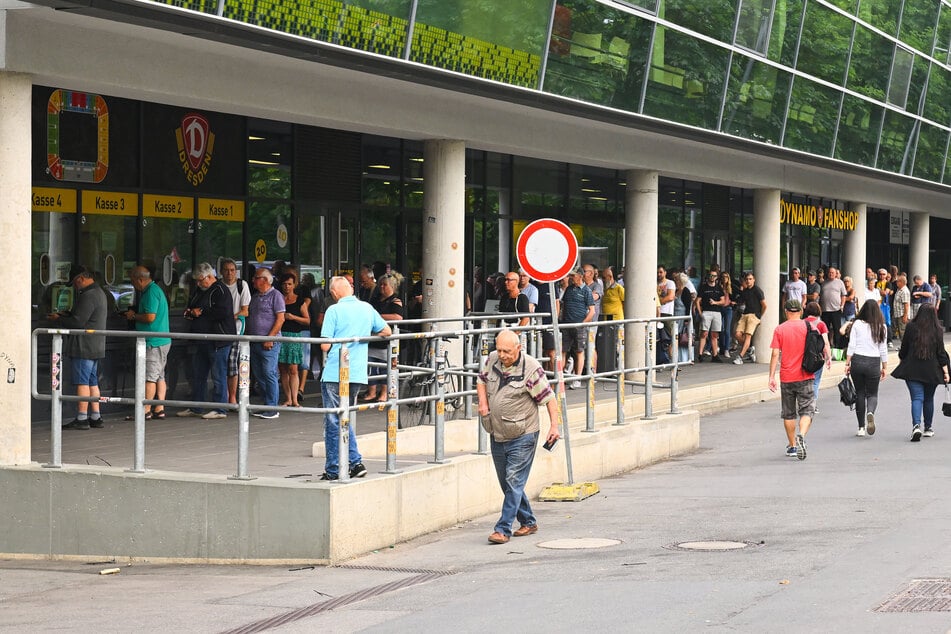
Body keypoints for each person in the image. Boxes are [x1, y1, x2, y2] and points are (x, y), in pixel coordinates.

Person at [477, 329, 560, 544]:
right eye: (499, 350)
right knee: (507, 483)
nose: (502, 355)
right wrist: (484, 406)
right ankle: (528, 522)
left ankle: (503, 529)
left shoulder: (531, 369)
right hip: (497, 432)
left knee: (514, 481)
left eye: (507, 351)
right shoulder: (493, 359)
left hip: (524, 434)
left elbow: (549, 398)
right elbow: (481, 380)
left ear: (518, 348)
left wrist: (554, 426)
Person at [319, 276, 391, 480]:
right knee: (345, 417)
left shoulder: (334, 310)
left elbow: (324, 345)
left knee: (333, 419)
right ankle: (355, 463)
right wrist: (363, 337)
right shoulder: (367, 308)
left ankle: (335, 468)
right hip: (357, 371)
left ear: (334, 293)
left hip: (335, 371)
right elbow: (386, 331)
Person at [47, 266, 107, 429]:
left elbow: (78, 322)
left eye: (74, 283)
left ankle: (81, 418)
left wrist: (59, 318)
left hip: (84, 345)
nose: (74, 286)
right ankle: (95, 416)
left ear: (80, 279)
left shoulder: (88, 295)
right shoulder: (100, 293)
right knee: (92, 382)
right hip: (96, 344)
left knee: (82, 382)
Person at [177, 262, 235, 419]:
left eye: (201, 280)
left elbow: (223, 312)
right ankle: (196, 406)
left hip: (218, 339)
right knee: (198, 375)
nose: (198, 283)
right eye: (197, 280)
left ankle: (220, 408)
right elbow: (193, 305)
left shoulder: (221, 290)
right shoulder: (199, 290)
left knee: (218, 375)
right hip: (201, 339)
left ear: (210, 277)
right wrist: (190, 312)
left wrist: (200, 311)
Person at [891, 305, 951, 441]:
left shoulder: (911, 327)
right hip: (932, 370)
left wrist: (902, 358)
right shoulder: (937, 330)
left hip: (912, 369)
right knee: (929, 399)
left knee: (917, 398)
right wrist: (946, 372)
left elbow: (904, 348)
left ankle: (916, 425)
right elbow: (941, 353)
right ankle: (928, 428)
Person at [767, 299, 815, 460]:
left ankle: (793, 446)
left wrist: (771, 376)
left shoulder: (779, 329)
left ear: (786, 311)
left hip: (787, 376)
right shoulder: (809, 326)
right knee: (807, 410)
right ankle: (801, 434)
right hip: (806, 374)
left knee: (788, 413)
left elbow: (775, 354)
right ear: (801, 311)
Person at [123, 266, 171, 421]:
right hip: (162, 339)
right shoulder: (156, 290)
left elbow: (150, 317)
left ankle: (145, 410)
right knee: (159, 376)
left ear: (140, 280)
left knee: (150, 377)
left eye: (132, 281)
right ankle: (160, 407)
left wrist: (133, 316)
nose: (133, 285)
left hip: (153, 341)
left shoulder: (150, 292)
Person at [845, 299, 888, 437]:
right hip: (874, 361)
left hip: (857, 360)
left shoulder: (857, 324)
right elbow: (883, 349)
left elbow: (851, 345)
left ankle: (861, 427)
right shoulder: (882, 327)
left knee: (860, 393)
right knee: (872, 394)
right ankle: (870, 412)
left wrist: (847, 363)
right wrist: (884, 367)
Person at [247, 267, 285, 419]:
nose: (253, 280)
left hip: (269, 342)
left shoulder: (276, 295)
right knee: (259, 374)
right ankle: (267, 403)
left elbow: (280, 318)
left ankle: (272, 407)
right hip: (254, 341)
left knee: (269, 372)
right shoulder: (255, 296)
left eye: (256, 277)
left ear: (264, 280)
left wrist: (270, 337)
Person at [364, 272, 403, 402]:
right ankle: (372, 392)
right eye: (380, 285)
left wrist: (379, 317)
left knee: (385, 368)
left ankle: (384, 394)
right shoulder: (375, 299)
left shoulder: (396, 300)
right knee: (370, 367)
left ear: (391, 286)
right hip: (373, 338)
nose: (381, 287)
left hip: (387, 341)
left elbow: (398, 317)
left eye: (384, 285)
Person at [220, 259, 250, 405]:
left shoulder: (241, 285)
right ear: (221, 272)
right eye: (226, 270)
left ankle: (233, 397)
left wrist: (231, 318)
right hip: (220, 331)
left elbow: (245, 311)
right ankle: (225, 396)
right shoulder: (218, 286)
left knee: (236, 364)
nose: (229, 273)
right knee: (223, 364)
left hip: (237, 331)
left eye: (232, 270)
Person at [278, 272, 310, 408]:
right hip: (280, 335)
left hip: (294, 335)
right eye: (284, 284)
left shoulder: (300, 300)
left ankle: (295, 399)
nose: (287, 287)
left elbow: (307, 320)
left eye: (289, 284)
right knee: (283, 369)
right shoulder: (278, 299)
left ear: (294, 285)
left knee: (293, 369)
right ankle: (288, 398)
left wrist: (293, 317)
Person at [561, 268, 595, 388]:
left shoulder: (586, 291)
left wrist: (583, 323)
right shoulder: (569, 289)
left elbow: (592, 311)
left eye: (573, 276)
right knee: (563, 350)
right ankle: (560, 377)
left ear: (580, 276)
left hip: (579, 325)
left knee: (579, 351)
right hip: (566, 324)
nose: (571, 278)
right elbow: (563, 305)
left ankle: (578, 378)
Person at [733, 272, 766, 364]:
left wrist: (759, 316)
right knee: (737, 334)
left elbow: (764, 305)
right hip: (745, 314)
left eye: (750, 279)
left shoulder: (757, 290)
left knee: (748, 336)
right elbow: (741, 301)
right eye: (747, 279)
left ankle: (740, 356)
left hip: (754, 315)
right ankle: (749, 348)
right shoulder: (745, 291)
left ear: (754, 280)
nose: (748, 281)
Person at [802, 301, 831, 408]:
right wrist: (828, 357)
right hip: (817, 356)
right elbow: (826, 343)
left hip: (803, 356)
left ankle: (804, 402)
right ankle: (812, 404)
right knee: (815, 381)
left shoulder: (802, 322)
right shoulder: (821, 324)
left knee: (805, 380)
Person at [695, 270, 727, 362]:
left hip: (716, 312)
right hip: (706, 311)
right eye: (710, 275)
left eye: (714, 276)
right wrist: (700, 313)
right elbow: (697, 301)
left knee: (714, 335)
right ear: (708, 276)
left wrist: (715, 302)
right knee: (704, 333)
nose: (712, 277)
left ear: (717, 277)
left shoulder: (718, 288)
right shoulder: (703, 287)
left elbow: (723, 301)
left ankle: (715, 355)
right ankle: (700, 354)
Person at [820, 267, 848, 349]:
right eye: (829, 272)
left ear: (836, 274)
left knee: (837, 329)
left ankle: (838, 347)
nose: (831, 274)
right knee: (825, 330)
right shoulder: (824, 283)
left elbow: (844, 295)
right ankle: (826, 347)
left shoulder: (840, 282)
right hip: (825, 310)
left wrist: (842, 305)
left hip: (836, 309)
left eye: (832, 272)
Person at [719, 272, 736, 357]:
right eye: (723, 277)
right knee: (720, 329)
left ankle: (726, 349)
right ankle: (722, 348)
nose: (724, 278)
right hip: (720, 308)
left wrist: (735, 302)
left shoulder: (731, 287)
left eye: (726, 277)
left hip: (728, 308)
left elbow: (740, 293)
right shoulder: (719, 286)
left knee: (727, 329)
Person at [892, 274, 911, 344]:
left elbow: (906, 304)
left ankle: (905, 347)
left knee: (903, 331)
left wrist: (905, 316)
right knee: (899, 331)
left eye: (897, 281)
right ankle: (903, 346)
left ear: (901, 282)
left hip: (902, 315)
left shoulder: (904, 291)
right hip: (897, 314)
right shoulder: (899, 290)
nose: (896, 283)